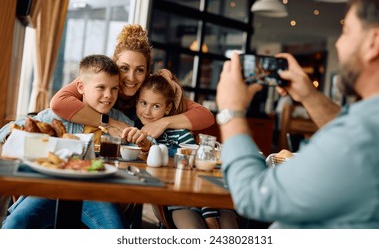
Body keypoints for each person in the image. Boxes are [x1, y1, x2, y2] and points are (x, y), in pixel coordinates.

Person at [216, 0, 379, 228]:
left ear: (373, 42)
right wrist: (309, 95)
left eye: (345, 31)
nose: (339, 45)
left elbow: (252, 196)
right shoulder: (372, 126)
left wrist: (231, 111)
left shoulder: (361, 138)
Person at [0, 54, 134, 229]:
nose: (108, 95)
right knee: (16, 223)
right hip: (49, 188)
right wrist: (22, 140)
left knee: (117, 230)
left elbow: (143, 148)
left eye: (114, 88)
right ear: (81, 87)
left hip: (96, 193)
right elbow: (5, 132)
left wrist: (142, 142)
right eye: (101, 87)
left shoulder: (123, 122)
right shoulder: (59, 116)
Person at [50, 24, 215, 139]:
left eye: (139, 70)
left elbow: (205, 116)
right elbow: (59, 103)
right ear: (115, 65)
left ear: (147, 72)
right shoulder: (102, 76)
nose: (131, 77)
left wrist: (164, 123)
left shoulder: (151, 88)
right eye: (124, 68)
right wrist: (112, 122)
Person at [123, 70, 238, 229]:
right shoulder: (136, 133)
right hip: (175, 200)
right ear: (137, 102)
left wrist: (208, 211)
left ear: (168, 108)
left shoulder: (181, 134)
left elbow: (195, 169)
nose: (147, 111)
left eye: (156, 106)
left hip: (201, 197)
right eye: (143, 103)